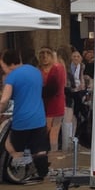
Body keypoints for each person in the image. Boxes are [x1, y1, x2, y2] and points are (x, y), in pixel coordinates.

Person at [0, 49, 49, 181]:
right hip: (39, 118)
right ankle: (42, 172)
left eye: (2, 66)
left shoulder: (12, 76)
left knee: (12, 146)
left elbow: (4, 100)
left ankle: (20, 171)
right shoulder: (36, 71)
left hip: (22, 119)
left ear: (9, 64)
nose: (3, 69)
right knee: (39, 148)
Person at [38, 46, 66, 152]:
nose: (45, 56)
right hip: (44, 104)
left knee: (51, 132)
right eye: (42, 54)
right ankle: (48, 155)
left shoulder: (57, 68)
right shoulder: (39, 70)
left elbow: (57, 87)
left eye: (47, 54)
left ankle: (51, 156)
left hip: (54, 103)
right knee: (48, 132)